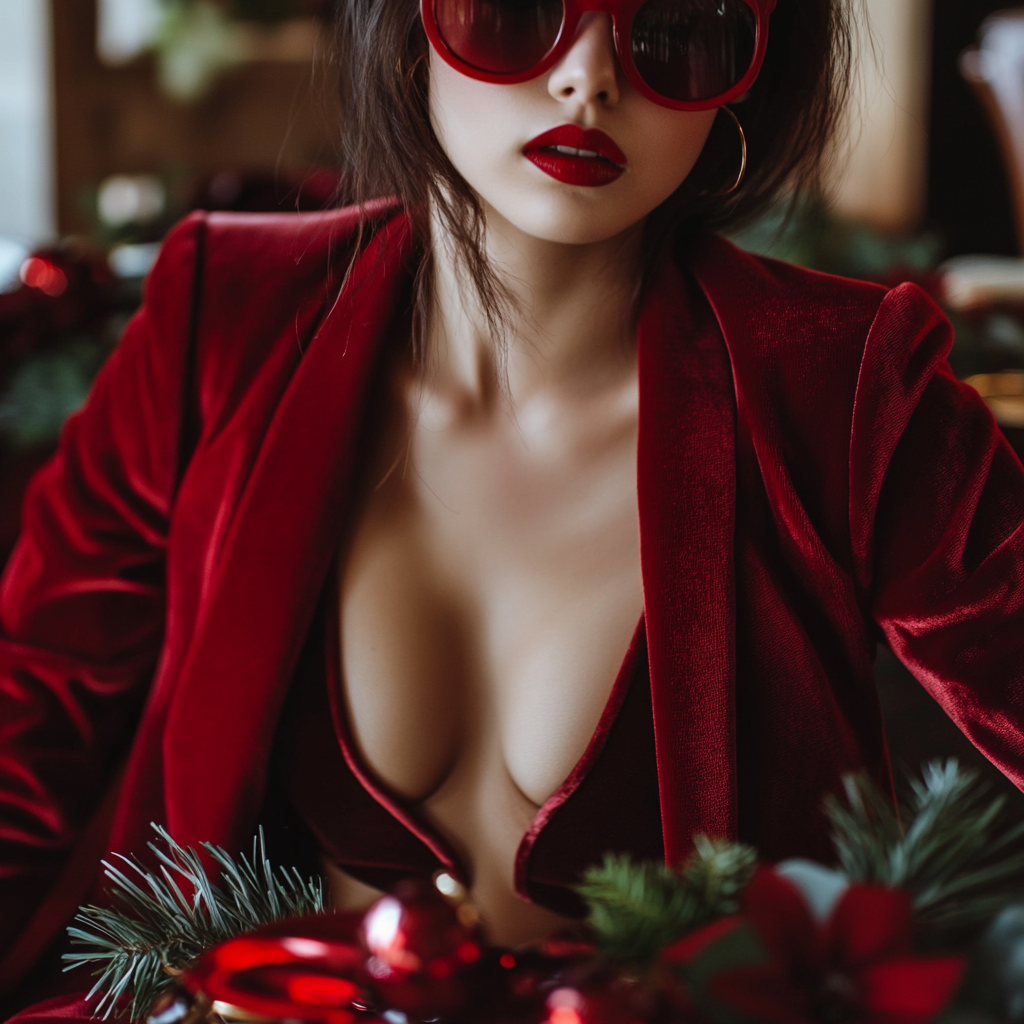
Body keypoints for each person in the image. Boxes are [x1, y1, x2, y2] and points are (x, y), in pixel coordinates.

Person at [2, 0, 1023, 1016]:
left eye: (674, 33)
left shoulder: (845, 390)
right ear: (408, 31)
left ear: (748, 75)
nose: (589, 77)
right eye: (516, 14)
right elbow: (29, 722)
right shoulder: (220, 319)